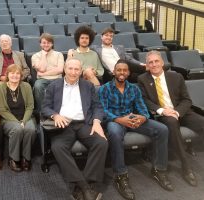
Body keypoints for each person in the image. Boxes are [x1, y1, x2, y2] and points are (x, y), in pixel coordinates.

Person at [98, 59, 172, 200]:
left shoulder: (134, 88)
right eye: (119, 70)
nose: (122, 72)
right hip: (115, 121)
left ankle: (159, 169)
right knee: (113, 132)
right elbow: (103, 111)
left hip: (133, 119)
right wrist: (119, 119)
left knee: (162, 129)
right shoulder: (104, 88)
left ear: (129, 73)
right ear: (113, 72)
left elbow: (142, 108)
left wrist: (143, 117)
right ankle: (120, 176)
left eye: (125, 70)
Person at [41, 58, 108, 200]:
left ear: (81, 71)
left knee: (101, 142)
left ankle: (86, 182)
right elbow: (45, 107)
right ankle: (84, 186)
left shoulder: (88, 86)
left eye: (76, 69)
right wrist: (55, 115)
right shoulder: (54, 86)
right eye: (70, 68)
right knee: (57, 147)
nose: (73, 72)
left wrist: (96, 121)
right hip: (64, 125)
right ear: (65, 69)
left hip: (84, 123)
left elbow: (97, 106)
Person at [138, 50, 204, 187]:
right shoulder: (143, 79)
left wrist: (177, 112)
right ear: (147, 65)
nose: (154, 64)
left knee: (202, 123)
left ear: (162, 62)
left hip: (180, 111)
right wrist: (162, 110)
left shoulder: (176, 76)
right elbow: (145, 100)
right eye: (150, 62)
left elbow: (186, 100)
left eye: (156, 61)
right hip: (162, 115)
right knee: (172, 123)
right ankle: (186, 166)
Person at [0, 64, 36, 172]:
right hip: (8, 118)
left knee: (31, 130)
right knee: (17, 129)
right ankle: (13, 159)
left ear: (21, 75)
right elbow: (2, 109)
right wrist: (18, 122)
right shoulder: (0, 87)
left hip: (26, 117)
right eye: (12, 73)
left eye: (17, 73)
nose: (15, 75)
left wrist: (23, 121)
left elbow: (30, 106)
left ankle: (26, 158)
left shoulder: (26, 86)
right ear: (7, 75)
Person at [31, 33, 64, 113]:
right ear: (40, 44)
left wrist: (43, 74)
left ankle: (59, 112)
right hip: (42, 80)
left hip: (57, 78)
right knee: (38, 86)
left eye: (48, 42)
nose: (46, 45)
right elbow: (42, 69)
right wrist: (43, 55)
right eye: (44, 43)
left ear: (52, 44)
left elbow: (60, 70)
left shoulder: (59, 54)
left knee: (62, 85)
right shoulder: (35, 56)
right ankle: (43, 111)